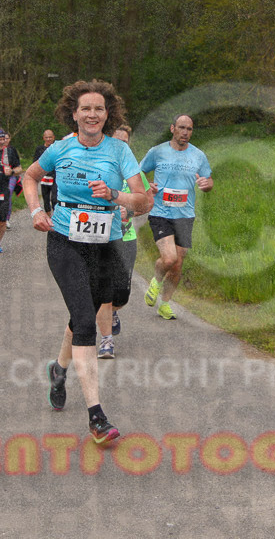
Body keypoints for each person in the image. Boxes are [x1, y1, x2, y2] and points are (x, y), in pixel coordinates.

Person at [21, 79, 153, 446]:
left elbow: (143, 201)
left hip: (105, 245)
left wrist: (115, 195)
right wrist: (35, 210)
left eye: (99, 109)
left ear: (108, 115)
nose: (92, 114)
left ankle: (59, 369)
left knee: (84, 313)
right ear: (74, 114)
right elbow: (30, 176)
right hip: (65, 241)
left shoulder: (119, 151)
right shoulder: (60, 148)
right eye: (85, 109)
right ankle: (96, 415)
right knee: (85, 322)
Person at [138, 114, 213, 320]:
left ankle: (165, 303)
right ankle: (155, 281)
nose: (185, 133)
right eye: (181, 128)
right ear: (172, 128)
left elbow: (208, 180)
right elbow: (138, 173)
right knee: (169, 258)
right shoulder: (157, 152)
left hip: (185, 215)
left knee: (178, 264)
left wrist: (207, 184)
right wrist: (147, 185)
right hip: (161, 213)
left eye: (189, 129)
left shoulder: (198, 155)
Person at [95, 125, 149, 358]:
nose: (120, 145)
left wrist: (131, 212)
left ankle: (114, 310)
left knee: (121, 294)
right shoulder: (95, 166)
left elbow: (147, 203)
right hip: (99, 239)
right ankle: (106, 341)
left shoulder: (134, 172)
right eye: (116, 140)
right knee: (102, 290)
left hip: (125, 239)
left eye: (124, 142)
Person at [33, 129, 57, 213]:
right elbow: (35, 163)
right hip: (44, 177)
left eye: (50, 137)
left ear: (53, 137)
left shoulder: (57, 148)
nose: (48, 139)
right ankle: (48, 216)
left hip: (56, 176)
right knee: (45, 199)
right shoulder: (39, 149)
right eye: (46, 137)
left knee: (54, 199)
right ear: (43, 138)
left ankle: (55, 217)